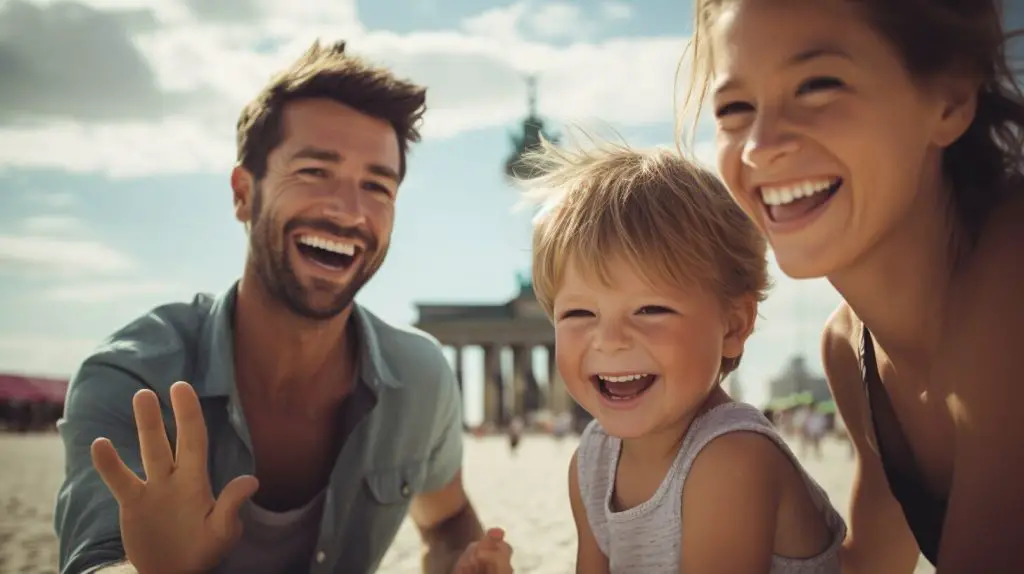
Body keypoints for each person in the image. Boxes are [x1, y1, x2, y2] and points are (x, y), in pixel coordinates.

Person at [53, 40, 512, 574]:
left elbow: (446, 518)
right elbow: (94, 564)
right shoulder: (134, 381)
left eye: (376, 186)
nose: (348, 211)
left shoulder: (421, 378)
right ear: (244, 193)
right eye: (315, 171)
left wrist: (465, 560)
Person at [686, 0, 1024, 570]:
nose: (761, 146)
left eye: (818, 85)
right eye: (735, 107)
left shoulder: (1012, 273)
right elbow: (870, 562)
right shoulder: (850, 351)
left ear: (950, 99)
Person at [522, 139, 846, 573]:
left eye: (650, 309)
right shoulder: (593, 462)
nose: (611, 339)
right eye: (580, 312)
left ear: (732, 326)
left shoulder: (731, 459)